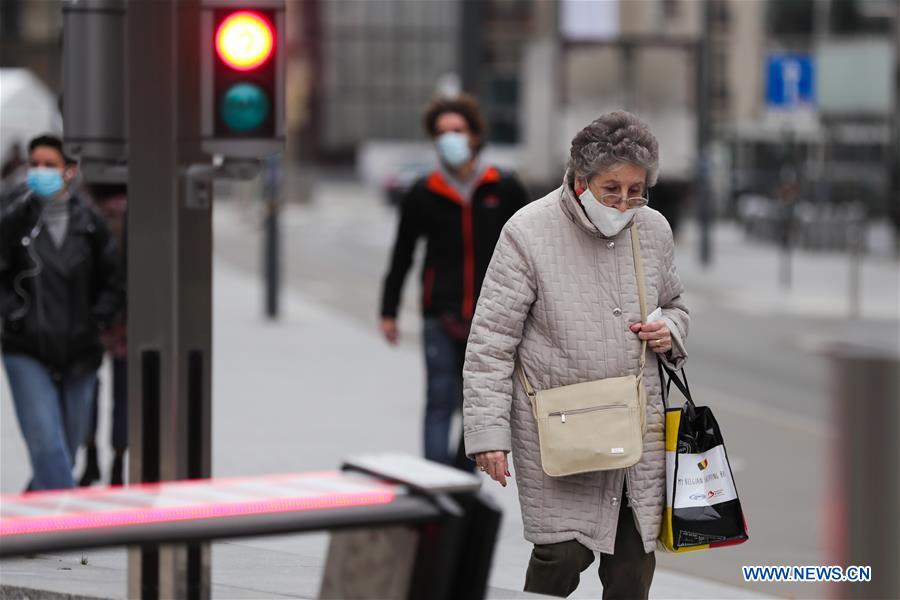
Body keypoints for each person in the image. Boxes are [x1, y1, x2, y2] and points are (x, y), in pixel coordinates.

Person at [463, 112, 690, 599]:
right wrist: (488, 434)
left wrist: (668, 329)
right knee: (561, 555)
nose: (625, 202)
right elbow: (490, 342)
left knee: (633, 565)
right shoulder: (527, 232)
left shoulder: (653, 229)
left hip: (636, 430)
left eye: (637, 190)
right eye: (612, 189)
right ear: (581, 180)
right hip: (558, 428)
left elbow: (676, 305)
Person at [379, 94, 529, 470]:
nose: (450, 138)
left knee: (478, 403)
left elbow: (533, 250)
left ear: (475, 135)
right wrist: (389, 311)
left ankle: (461, 483)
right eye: (442, 132)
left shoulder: (504, 187)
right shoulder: (423, 191)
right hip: (440, 313)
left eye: (458, 131)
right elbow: (402, 253)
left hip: (494, 319)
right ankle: (433, 483)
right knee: (439, 398)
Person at [0, 134, 124, 491]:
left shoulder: (91, 225)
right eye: (33, 164)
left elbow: (113, 281)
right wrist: (12, 312)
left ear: (69, 172)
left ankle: (33, 511)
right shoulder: (14, 220)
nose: (39, 171)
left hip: (79, 352)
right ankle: (68, 531)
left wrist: (97, 321)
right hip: (25, 348)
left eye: (48, 165)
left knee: (65, 451)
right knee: (46, 444)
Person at [78, 183, 128, 487]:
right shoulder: (139, 210)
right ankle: (120, 463)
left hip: (88, 317)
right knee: (124, 393)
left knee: (87, 390)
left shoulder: (83, 208)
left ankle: (91, 459)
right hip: (128, 317)